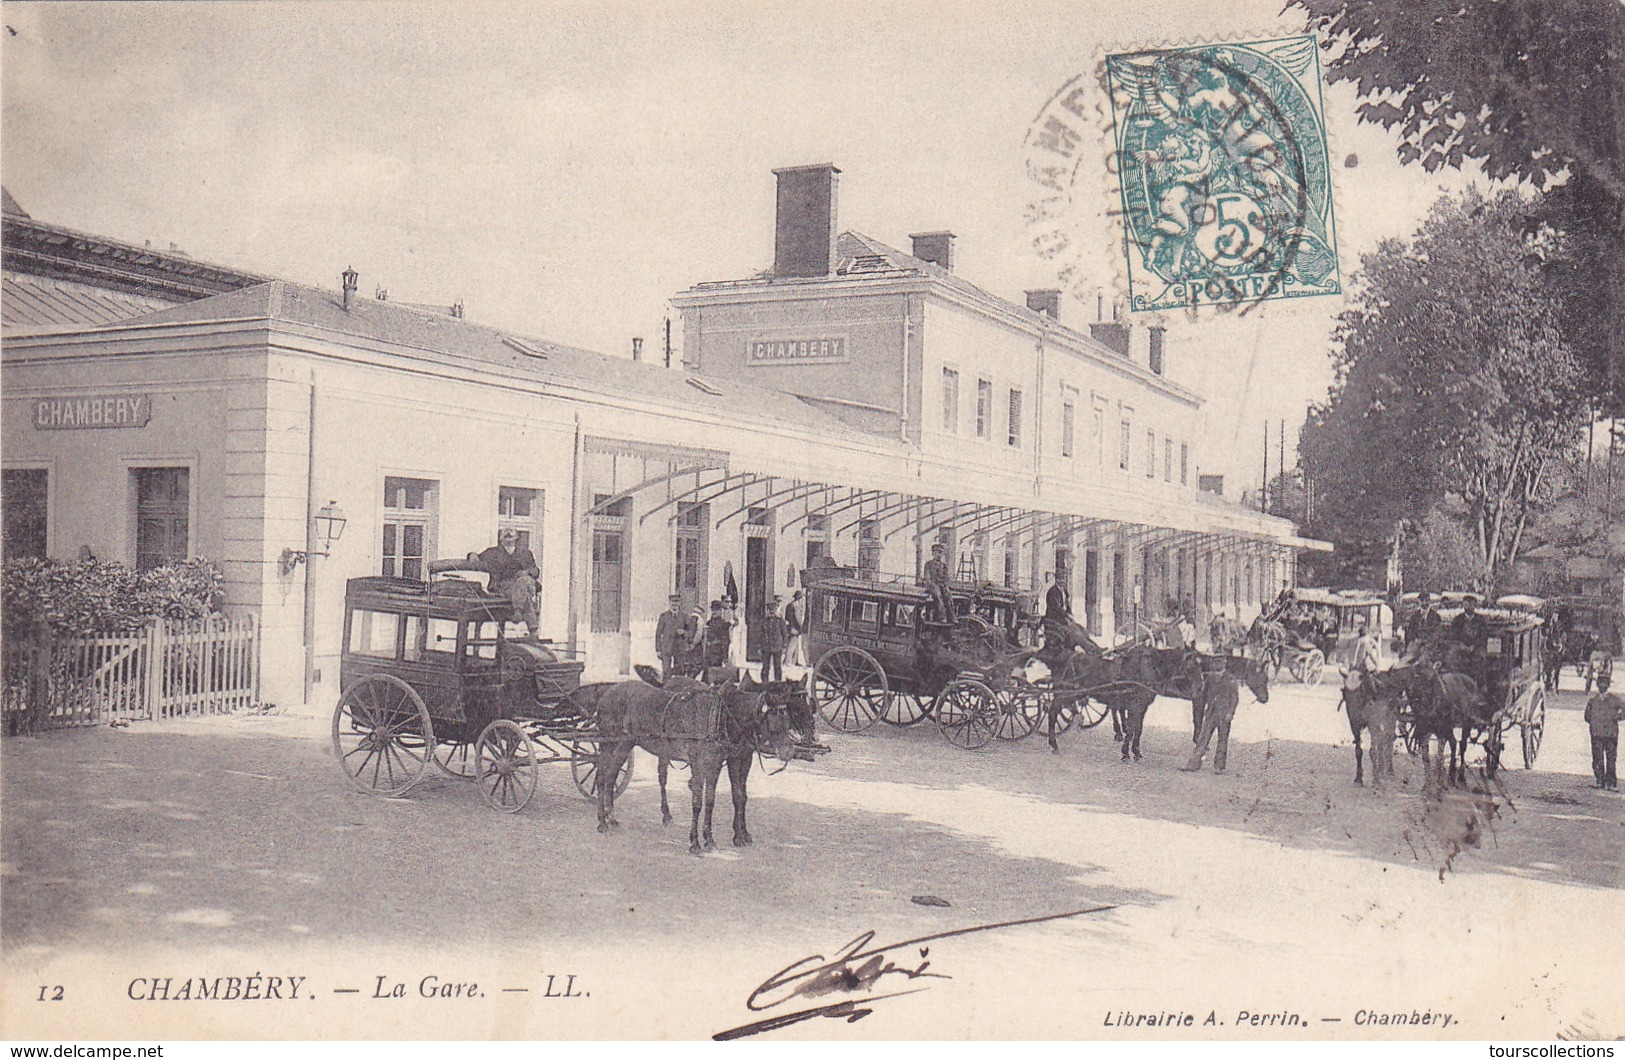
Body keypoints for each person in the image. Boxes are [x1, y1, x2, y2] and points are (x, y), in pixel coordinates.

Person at [475, 528, 540, 636]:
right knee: (525, 595)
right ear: (500, 538)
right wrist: (472, 555)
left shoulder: (525, 553)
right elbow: (476, 556)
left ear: (517, 537)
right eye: (505, 532)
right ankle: (532, 628)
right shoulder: (493, 552)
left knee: (523, 581)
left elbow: (535, 570)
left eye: (511, 532)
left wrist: (526, 572)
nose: (508, 533)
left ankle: (518, 610)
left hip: (526, 583)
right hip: (504, 586)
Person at [1583, 671, 1622, 791]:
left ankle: (1611, 783)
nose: (1603, 685)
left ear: (1608, 685)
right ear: (1598, 685)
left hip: (1611, 734)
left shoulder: (1616, 700)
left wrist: (1619, 717)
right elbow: (1587, 716)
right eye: (1601, 683)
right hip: (1597, 734)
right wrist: (1595, 724)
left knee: (1611, 758)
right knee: (1597, 758)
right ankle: (1600, 780)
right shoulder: (1593, 701)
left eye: (1605, 683)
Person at [655, 594, 687, 679]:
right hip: (666, 647)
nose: (674, 604)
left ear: (680, 603)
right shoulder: (664, 616)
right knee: (666, 671)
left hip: (679, 648)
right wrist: (658, 649)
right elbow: (658, 634)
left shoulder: (684, 616)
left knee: (680, 671)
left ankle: (678, 689)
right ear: (669, 603)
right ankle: (665, 689)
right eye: (673, 602)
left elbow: (690, 632)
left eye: (676, 602)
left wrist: (684, 632)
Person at [760, 596, 789, 682]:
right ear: (767, 611)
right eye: (770, 610)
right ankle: (764, 683)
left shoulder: (780, 622)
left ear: (776, 611)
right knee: (765, 668)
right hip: (766, 648)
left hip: (777, 648)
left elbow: (785, 635)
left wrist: (784, 647)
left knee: (777, 667)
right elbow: (760, 635)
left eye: (773, 610)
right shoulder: (764, 622)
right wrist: (759, 647)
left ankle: (778, 683)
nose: (771, 612)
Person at [702, 599, 735, 677]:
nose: (714, 612)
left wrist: (725, 657)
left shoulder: (724, 624)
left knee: (715, 675)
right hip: (708, 653)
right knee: (706, 675)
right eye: (713, 610)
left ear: (720, 611)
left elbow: (725, 641)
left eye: (716, 610)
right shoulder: (709, 622)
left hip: (717, 654)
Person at [923, 543, 953, 621]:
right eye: (936, 552)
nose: (938, 555)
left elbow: (947, 578)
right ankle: (941, 616)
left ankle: (951, 617)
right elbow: (927, 578)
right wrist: (933, 585)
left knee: (948, 595)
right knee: (938, 595)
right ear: (933, 553)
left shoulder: (944, 566)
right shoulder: (928, 564)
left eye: (940, 553)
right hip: (931, 586)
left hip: (941, 586)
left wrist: (945, 586)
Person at [785, 589, 807, 668]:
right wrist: (802, 626)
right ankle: (787, 661)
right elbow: (797, 617)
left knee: (796, 645)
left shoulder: (789, 604)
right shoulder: (796, 605)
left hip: (790, 626)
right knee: (792, 645)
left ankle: (795, 661)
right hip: (795, 628)